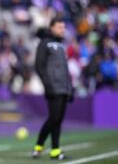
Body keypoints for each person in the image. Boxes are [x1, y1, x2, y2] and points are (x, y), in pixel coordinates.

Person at [32, 18, 73, 160]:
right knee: (54, 118)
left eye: (64, 27)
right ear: (51, 28)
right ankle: (39, 146)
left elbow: (65, 69)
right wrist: (47, 85)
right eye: (59, 27)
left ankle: (55, 150)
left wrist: (70, 87)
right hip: (53, 87)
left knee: (58, 120)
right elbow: (39, 66)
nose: (62, 30)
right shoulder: (45, 43)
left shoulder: (61, 45)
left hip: (63, 88)